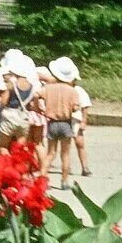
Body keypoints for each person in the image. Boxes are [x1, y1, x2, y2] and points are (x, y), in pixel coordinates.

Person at [39, 57, 82, 190]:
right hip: (65, 123)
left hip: (52, 123)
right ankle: (64, 181)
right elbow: (75, 108)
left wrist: (41, 107)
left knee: (51, 153)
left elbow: (37, 95)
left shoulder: (48, 88)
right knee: (65, 154)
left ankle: (42, 178)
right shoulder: (72, 90)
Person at [71, 75, 93, 176]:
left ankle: (85, 167)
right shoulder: (61, 88)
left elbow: (85, 105)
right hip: (63, 119)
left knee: (80, 143)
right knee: (64, 145)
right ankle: (66, 166)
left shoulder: (79, 90)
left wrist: (84, 120)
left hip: (75, 119)